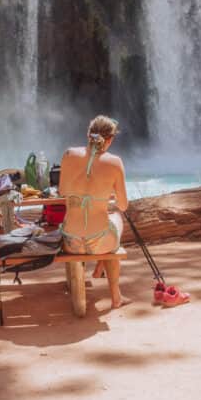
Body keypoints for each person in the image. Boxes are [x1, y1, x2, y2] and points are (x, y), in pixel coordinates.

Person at [58, 115, 128, 309]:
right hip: (100, 243)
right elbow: (123, 205)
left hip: (70, 241)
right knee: (116, 218)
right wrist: (105, 195)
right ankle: (116, 296)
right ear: (110, 139)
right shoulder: (115, 162)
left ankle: (99, 268)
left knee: (104, 223)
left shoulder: (69, 154)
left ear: (88, 134)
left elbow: (63, 191)